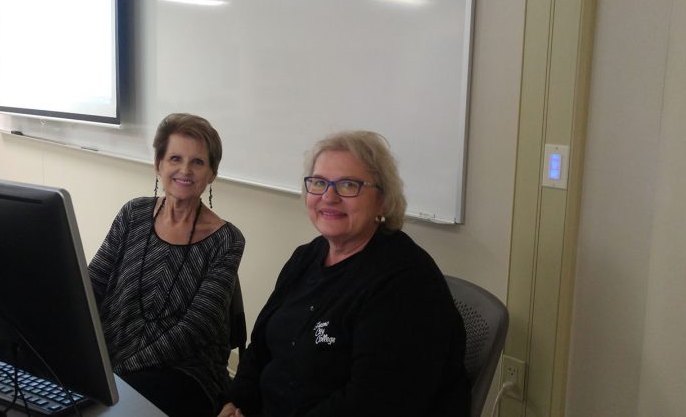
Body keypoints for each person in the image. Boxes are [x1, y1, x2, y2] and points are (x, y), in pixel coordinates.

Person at [219, 131, 469, 417]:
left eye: (349, 185)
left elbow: (371, 404)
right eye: (319, 183)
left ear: (383, 201)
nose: (329, 196)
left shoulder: (407, 284)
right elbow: (262, 345)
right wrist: (236, 402)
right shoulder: (307, 256)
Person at [88, 113, 245, 417]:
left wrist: (120, 371)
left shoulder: (227, 240)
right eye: (175, 158)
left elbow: (193, 329)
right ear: (158, 164)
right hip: (112, 350)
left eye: (198, 162)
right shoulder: (133, 214)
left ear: (212, 173)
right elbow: (92, 282)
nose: (185, 170)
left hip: (183, 370)